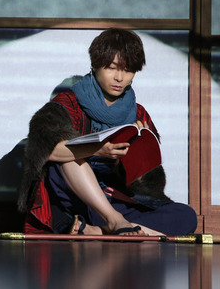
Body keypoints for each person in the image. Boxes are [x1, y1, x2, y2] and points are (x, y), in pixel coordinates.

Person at [17, 28, 197, 236]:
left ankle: (100, 230)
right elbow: (43, 152)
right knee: (71, 157)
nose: (119, 77)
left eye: (128, 70)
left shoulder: (138, 113)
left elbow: (150, 185)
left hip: (115, 199)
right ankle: (115, 222)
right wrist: (96, 150)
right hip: (74, 198)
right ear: (95, 65)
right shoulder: (67, 104)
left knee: (186, 216)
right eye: (112, 68)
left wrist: (141, 155)